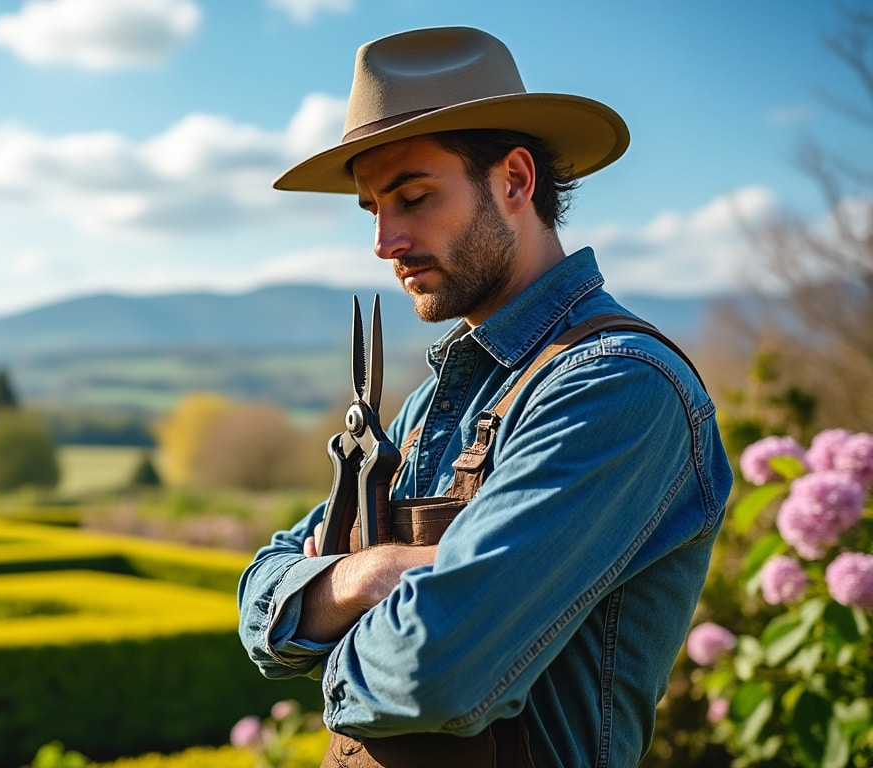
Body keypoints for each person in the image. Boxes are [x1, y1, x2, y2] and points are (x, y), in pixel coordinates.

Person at [236, 26, 733, 768]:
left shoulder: (619, 386)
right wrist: (369, 576)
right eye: (372, 207)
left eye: (413, 197)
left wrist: (322, 622)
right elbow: (259, 593)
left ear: (515, 182)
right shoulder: (439, 396)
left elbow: (435, 673)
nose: (385, 240)